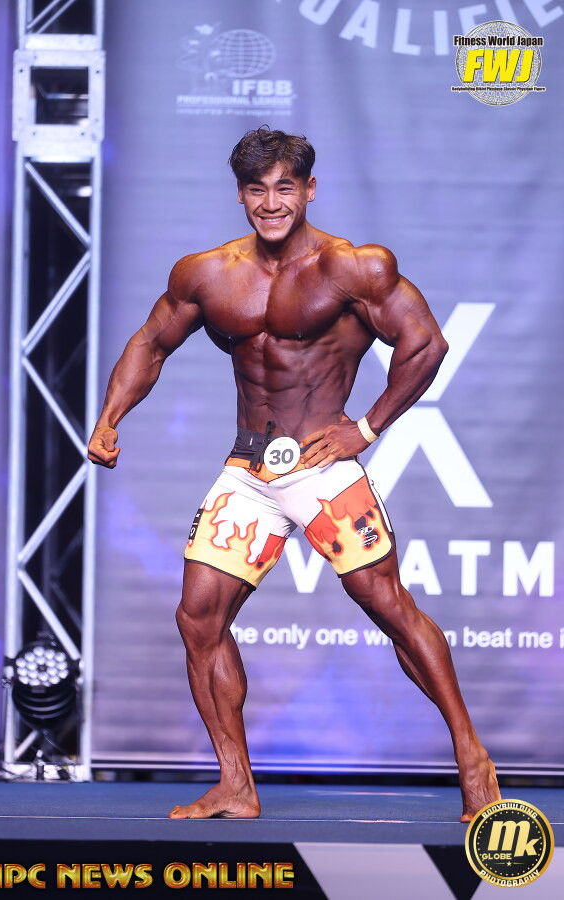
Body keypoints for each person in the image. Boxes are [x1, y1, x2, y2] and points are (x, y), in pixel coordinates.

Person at [88, 126, 501, 822]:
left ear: (309, 189)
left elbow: (425, 344)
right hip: (248, 468)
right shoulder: (207, 273)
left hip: (321, 466)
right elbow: (151, 343)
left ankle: (471, 757)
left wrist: (365, 428)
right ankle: (236, 784)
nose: (271, 202)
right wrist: (110, 417)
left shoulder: (353, 268)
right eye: (257, 189)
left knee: (386, 605)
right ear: (240, 195)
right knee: (198, 618)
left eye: (285, 187)